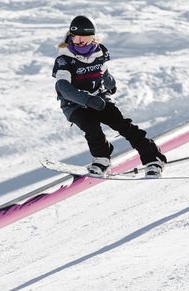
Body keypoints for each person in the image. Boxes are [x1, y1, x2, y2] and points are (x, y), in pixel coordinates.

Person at [51, 15, 167, 177]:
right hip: (75, 105)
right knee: (91, 127)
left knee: (123, 125)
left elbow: (103, 72)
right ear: (70, 38)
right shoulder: (65, 60)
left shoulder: (100, 53)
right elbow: (63, 87)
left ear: (94, 38)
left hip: (100, 99)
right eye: (77, 39)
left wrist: (111, 85)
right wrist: (87, 99)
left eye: (86, 39)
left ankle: (153, 159)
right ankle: (102, 160)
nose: (81, 43)